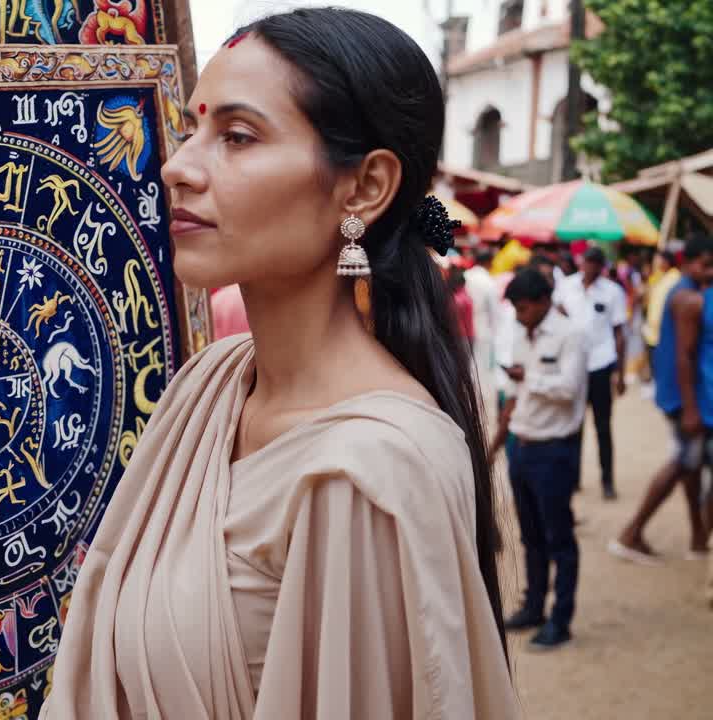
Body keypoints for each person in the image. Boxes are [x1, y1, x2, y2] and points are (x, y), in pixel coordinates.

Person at [41, 9, 517, 718]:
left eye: (237, 136)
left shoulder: (367, 471)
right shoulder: (209, 386)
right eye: (192, 128)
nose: (177, 167)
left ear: (363, 188)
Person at [491, 268, 589, 650]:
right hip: (524, 445)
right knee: (531, 536)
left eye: (524, 307)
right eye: (515, 307)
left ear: (544, 302)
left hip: (555, 449)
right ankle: (533, 608)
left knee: (559, 538)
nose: (518, 313)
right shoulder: (520, 332)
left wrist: (528, 375)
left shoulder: (571, 336)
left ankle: (560, 620)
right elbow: (515, 393)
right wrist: (499, 441)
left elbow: (567, 390)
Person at [610, 237, 713, 563]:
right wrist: (692, 408)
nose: (709, 272)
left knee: (692, 466)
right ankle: (632, 531)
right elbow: (684, 356)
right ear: (689, 261)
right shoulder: (686, 296)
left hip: (687, 395)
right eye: (705, 264)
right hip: (686, 398)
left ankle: (698, 537)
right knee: (683, 463)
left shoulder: (687, 289)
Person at [559, 246, 627, 499]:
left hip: (601, 362)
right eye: (585, 263)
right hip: (573, 364)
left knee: (602, 426)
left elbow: (620, 333)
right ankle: (572, 479)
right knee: (574, 424)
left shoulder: (613, 292)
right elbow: (557, 314)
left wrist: (619, 373)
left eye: (593, 264)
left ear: (601, 267)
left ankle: (607, 481)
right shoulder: (567, 286)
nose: (588, 268)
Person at [643, 250, 682, 382]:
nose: (655, 262)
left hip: (664, 334)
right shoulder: (659, 277)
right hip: (652, 333)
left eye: (657, 259)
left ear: (666, 261)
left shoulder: (675, 279)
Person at [465, 248, 499, 383]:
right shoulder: (488, 281)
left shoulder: (466, 276)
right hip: (483, 328)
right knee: (480, 369)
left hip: (463, 327)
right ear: (488, 262)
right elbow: (494, 312)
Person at [449, 267, 475, 353]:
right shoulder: (466, 299)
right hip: (464, 336)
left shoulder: (449, 298)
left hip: (452, 335)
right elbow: (468, 322)